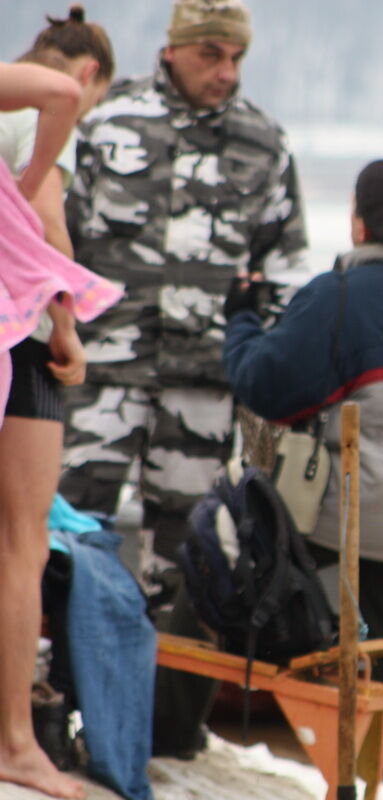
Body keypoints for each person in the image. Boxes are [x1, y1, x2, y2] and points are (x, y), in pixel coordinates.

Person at [222, 158, 383, 800]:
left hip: (347, 519)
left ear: (359, 221)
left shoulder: (339, 294)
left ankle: (169, 727)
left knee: (217, 568)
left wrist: (241, 320)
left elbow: (266, 387)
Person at [60, 0, 307, 567]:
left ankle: (163, 656)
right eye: (211, 54)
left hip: (205, 382)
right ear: (172, 51)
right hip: (100, 373)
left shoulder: (263, 141)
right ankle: (60, 654)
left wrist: (266, 376)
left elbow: (283, 269)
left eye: (237, 57)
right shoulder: (103, 123)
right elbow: (54, 241)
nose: (228, 72)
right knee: (67, 528)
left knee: (185, 548)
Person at [0, 59, 121, 800]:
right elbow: (46, 218)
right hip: (22, 324)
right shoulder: (34, 112)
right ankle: (15, 740)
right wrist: (67, 323)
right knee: (22, 540)